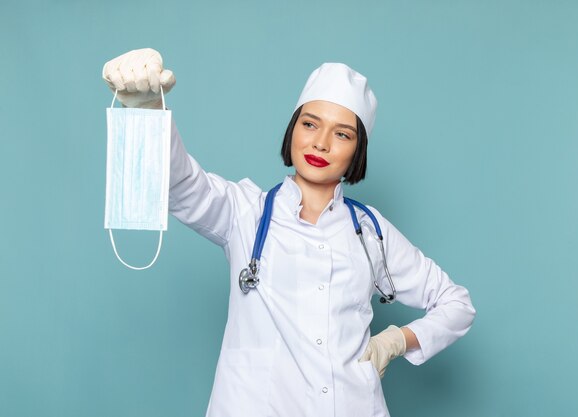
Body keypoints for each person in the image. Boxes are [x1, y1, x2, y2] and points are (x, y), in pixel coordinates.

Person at [102, 48, 476, 417]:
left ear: (357, 150)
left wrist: (395, 342)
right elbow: (180, 185)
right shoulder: (244, 212)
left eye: (342, 134)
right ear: (292, 129)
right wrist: (148, 113)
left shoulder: (370, 230)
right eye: (310, 124)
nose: (321, 143)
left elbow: (456, 304)